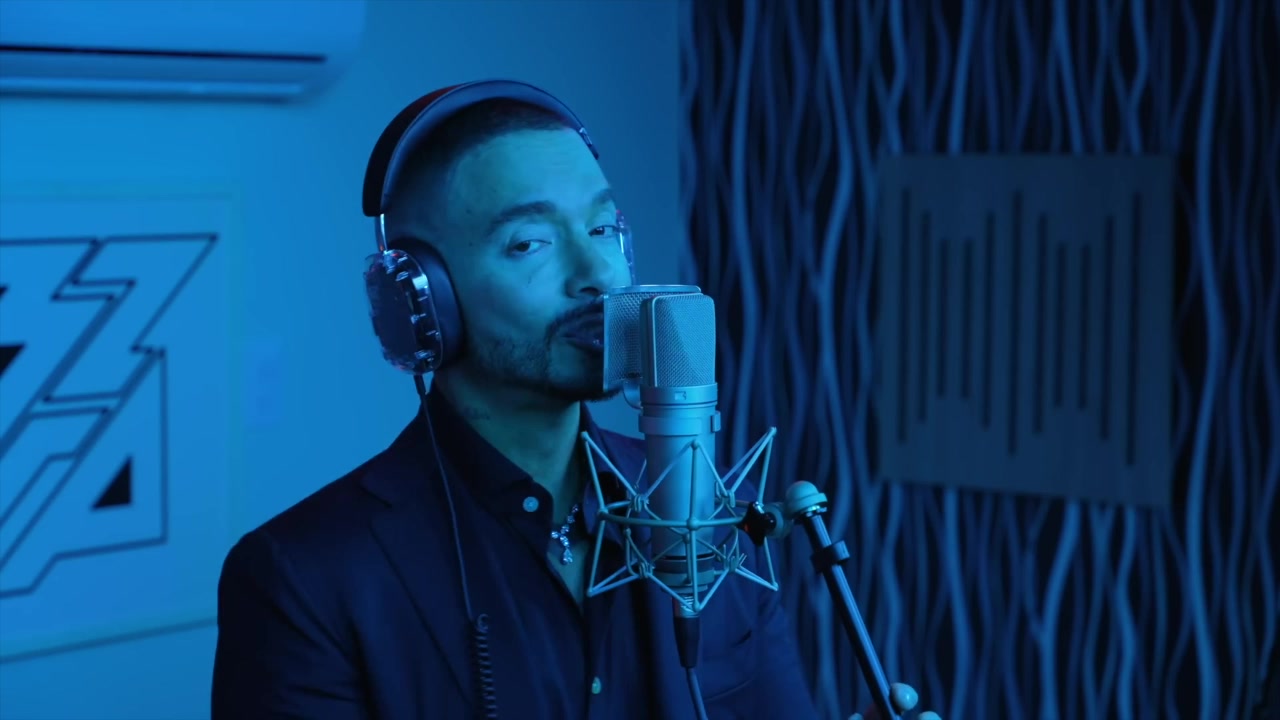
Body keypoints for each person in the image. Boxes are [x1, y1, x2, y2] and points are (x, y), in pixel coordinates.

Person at [210, 79, 822, 719]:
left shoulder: (707, 511)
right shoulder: (304, 579)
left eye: (603, 228)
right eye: (531, 243)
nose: (598, 274)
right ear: (424, 301)